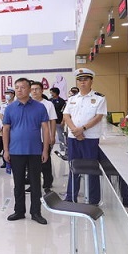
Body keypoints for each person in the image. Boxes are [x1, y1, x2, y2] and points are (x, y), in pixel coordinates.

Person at [3, 78, 49, 225]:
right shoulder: (10, 108)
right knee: (18, 183)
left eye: (22, 87)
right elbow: (6, 129)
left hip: (35, 151)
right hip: (16, 151)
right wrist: (5, 150)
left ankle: (36, 212)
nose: (19, 90)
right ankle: (19, 211)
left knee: (35, 183)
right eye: (17, 87)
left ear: (29, 89)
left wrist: (45, 150)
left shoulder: (40, 107)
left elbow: (45, 129)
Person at [64, 68, 107, 204]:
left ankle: (93, 200)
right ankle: (71, 197)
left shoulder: (99, 98)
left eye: (86, 80)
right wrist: (75, 131)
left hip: (90, 138)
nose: (82, 82)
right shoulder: (72, 99)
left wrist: (82, 129)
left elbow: (98, 117)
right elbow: (66, 116)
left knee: (92, 169)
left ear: (91, 81)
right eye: (80, 80)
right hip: (73, 138)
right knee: (73, 167)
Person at [30, 82, 57, 191]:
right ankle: (33, 184)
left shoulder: (48, 104)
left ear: (42, 91)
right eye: (32, 89)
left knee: (45, 161)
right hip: (31, 139)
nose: (34, 91)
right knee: (32, 163)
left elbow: (53, 121)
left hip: (44, 138)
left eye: (37, 89)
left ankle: (47, 183)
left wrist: (52, 136)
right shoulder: (28, 104)